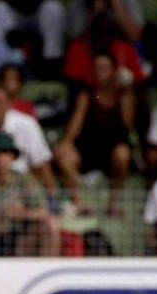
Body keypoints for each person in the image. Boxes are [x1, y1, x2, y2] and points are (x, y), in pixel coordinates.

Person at [52, 50, 134, 214]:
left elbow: (128, 123)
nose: (101, 71)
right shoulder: (86, 94)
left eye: (105, 68)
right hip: (88, 149)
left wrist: (126, 93)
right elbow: (77, 121)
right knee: (64, 156)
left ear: (113, 71)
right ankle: (79, 203)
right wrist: (67, 143)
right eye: (97, 68)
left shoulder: (124, 94)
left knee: (123, 154)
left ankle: (113, 203)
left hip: (112, 150)